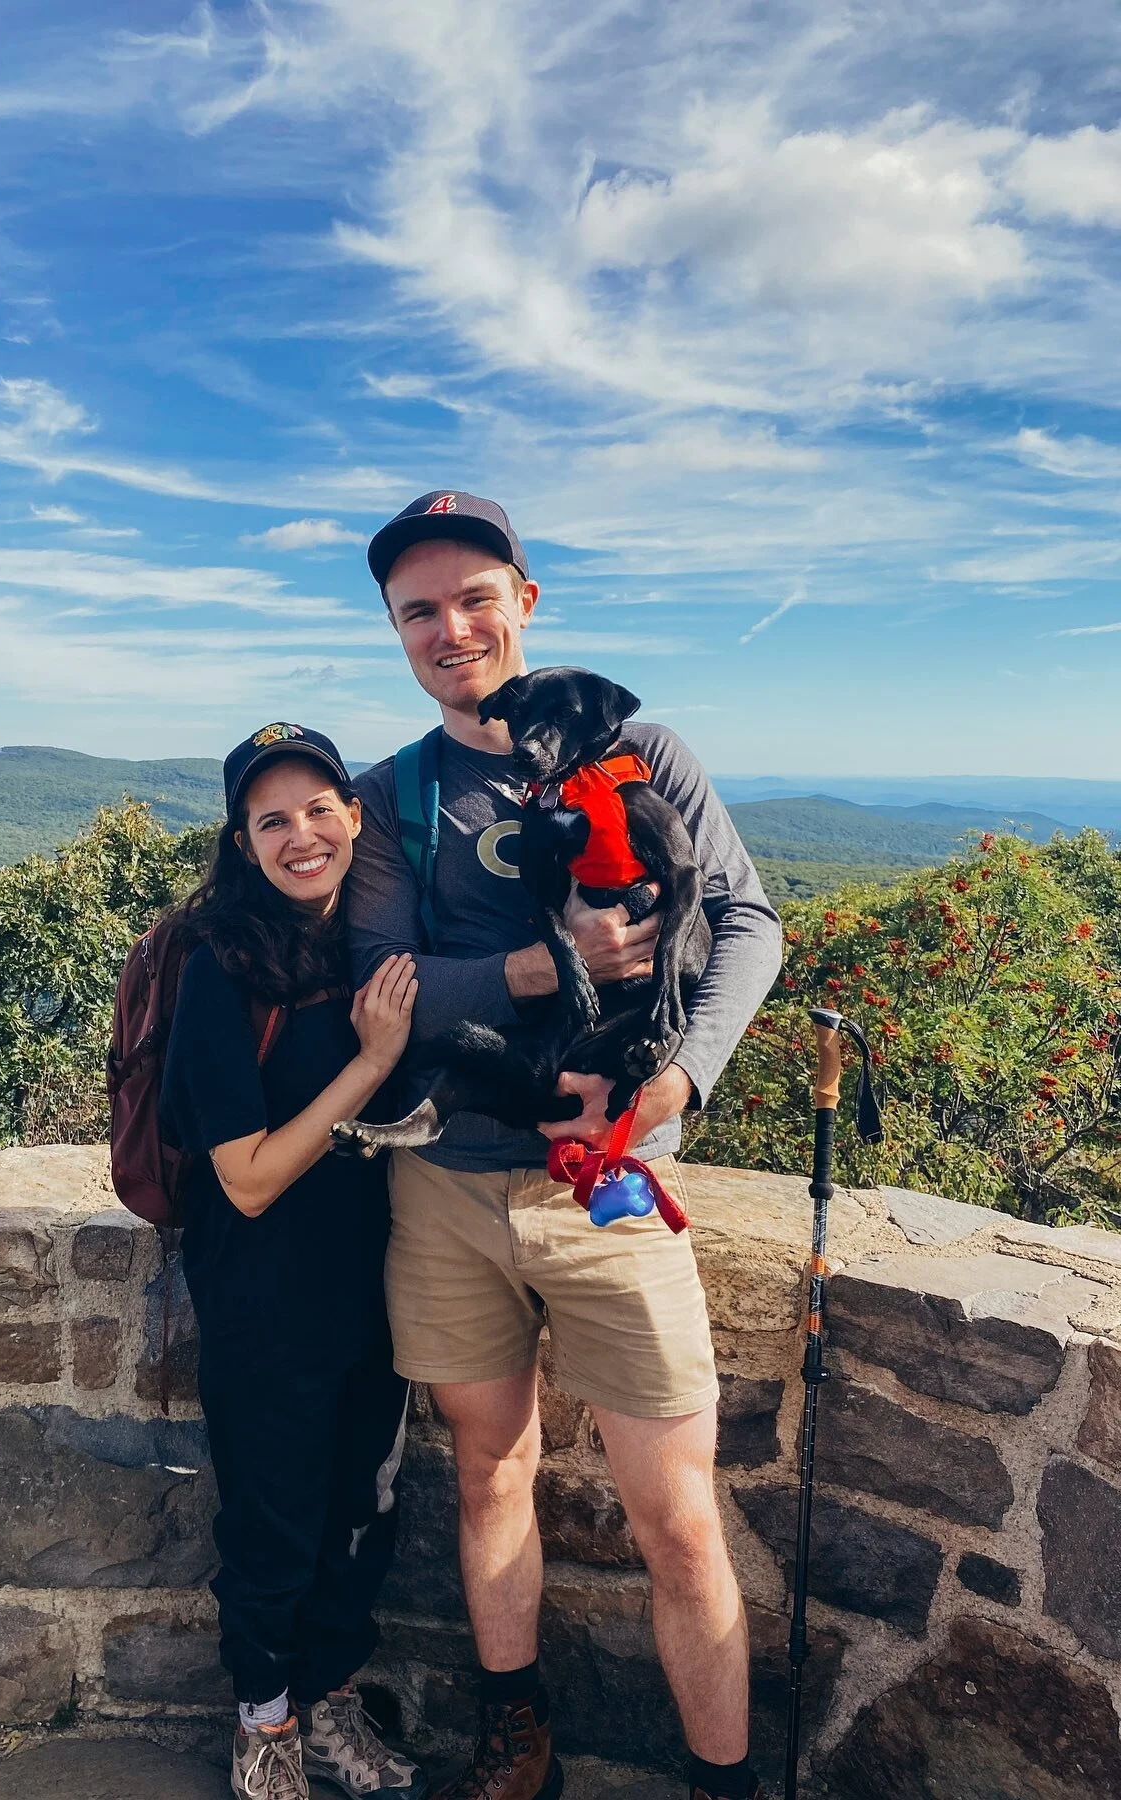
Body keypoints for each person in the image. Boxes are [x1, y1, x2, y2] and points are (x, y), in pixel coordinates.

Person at [347, 494, 784, 1800]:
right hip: (448, 1190)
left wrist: (678, 1089)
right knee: (490, 1471)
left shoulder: (642, 747)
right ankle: (514, 1733)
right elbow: (383, 985)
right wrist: (548, 964)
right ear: (393, 629)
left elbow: (750, 925)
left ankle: (720, 1780)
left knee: (678, 1518)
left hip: (612, 1189)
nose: (449, 627)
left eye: (474, 596)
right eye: (418, 610)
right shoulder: (395, 796)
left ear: (524, 601)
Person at [160, 721, 428, 1800]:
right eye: (273, 819)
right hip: (265, 1299)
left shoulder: (362, 941)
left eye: (320, 809)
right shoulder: (217, 967)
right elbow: (250, 1177)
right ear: (243, 841)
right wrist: (370, 1064)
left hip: (372, 1286)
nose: (301, 834)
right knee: (273, 1522)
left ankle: (328, 1707)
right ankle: (264, 1727)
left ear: (355, 818)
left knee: (362, 1514)